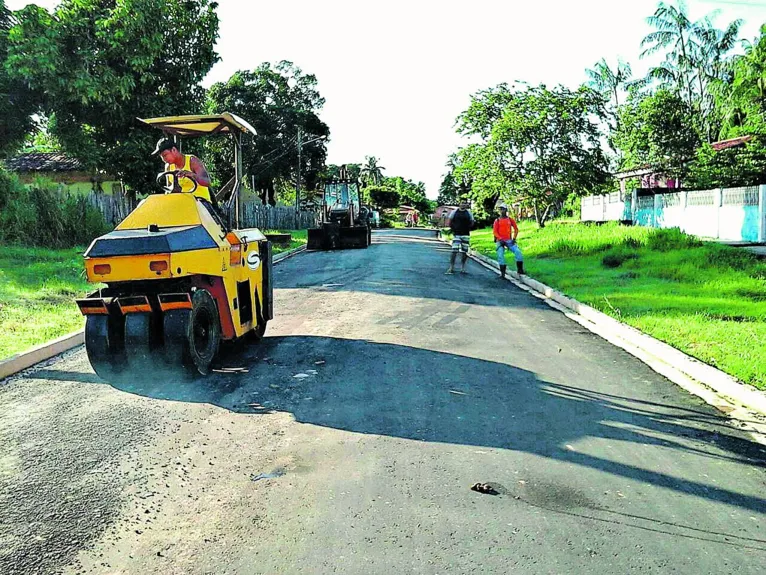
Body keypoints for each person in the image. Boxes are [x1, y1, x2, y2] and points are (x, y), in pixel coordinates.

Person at [152, 138, 213, 203]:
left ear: (174, 150)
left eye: (165, 155)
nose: (164, 159)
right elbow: (168, 188)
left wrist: (193, 175)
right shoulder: (168, 167)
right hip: (181, 203)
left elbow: (207, 182)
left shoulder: (192, 161)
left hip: (199, 201)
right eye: (162, 157)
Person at [493, 205, 524, 278]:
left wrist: (514, 239)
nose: (501, 211)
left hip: (509, 240)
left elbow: (516, 229)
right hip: (500, 241)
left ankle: (520, 269)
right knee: (500, 255)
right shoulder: (497, 220)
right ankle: (502, 273)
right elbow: (495, 232)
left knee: (518, 252)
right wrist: (500, 239)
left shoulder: (510, 219)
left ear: (506, 210)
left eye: (503, 209)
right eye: (500, 209)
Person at [447, 200, 474, 274]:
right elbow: (449, 221)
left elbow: (472, 222)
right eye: (462, 203)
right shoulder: (454, 212)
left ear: (466, 205)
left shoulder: (469, 213)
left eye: (465, 203)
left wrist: (468, 228)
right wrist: (454, 229)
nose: (463, 204)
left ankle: (463, 268)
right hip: (457, 234)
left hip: (465, 234)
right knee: (454, 251)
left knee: (464, 251)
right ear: (459, 204)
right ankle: (451, 267)